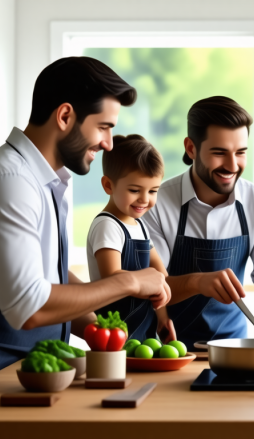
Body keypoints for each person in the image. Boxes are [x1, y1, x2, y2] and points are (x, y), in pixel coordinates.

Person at [0, 57, 171, 401]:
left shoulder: (44, 181)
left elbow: (49, 277)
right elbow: (30, 305)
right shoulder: (9, 182)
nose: (108, 143)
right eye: (103, 127)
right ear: (64, 116)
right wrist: (129, 281)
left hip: (23, 371)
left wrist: (97, 330)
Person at [143, 96, 254, 349]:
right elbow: (149, 285)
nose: (233, 165)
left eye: (241, 153)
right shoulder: (154, 203)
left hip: (235, 349)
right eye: (219, 153)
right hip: (166, 352)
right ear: (191, 148)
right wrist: (198, 282)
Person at [87, 134, 176, 342]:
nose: (145, 199)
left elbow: (160, 277)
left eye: (153, 191)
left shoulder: (140, 226)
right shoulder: (107, 225)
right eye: (135, 190)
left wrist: (163, 318)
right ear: (108, 185)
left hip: (144, 330)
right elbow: (112, 276)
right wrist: (144, 282)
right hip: (114, 332)